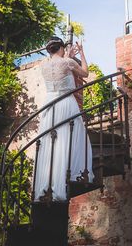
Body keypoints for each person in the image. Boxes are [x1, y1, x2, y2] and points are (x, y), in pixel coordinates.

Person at [33, 36, 94, 202]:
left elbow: (58, 62)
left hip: (50, 103)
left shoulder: (43, 65)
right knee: (67, 137)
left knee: (51, 141)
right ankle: (67, 174)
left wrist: (67, 54)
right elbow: (85, 73)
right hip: (66, 102)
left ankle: (48, 184)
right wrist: (81, 53)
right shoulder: (68, 62)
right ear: (60, 47)